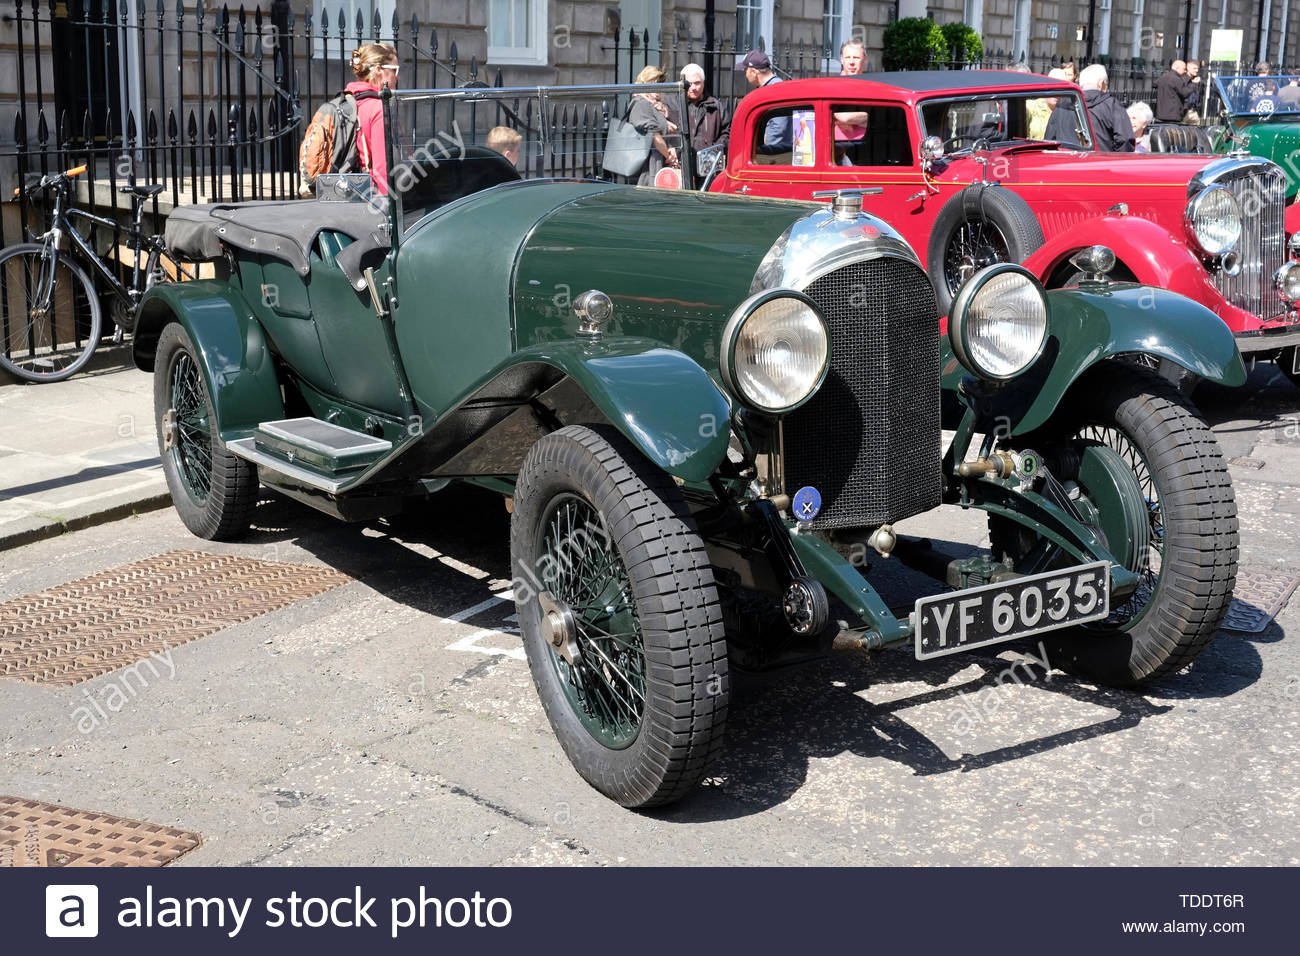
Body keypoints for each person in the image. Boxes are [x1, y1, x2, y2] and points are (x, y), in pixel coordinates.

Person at [345, 43, 400, 194]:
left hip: (354, 192)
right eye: (394, 70)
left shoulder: (351, 100)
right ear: (378, 70)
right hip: (376, 198)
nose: (397, 76)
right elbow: (383, 168)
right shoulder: (378, 109)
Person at [624, 64, 680, 186]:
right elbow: (654, 135)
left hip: (657, 168)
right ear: (647, 83)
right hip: (648, 171)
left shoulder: (652, 106)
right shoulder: (640, 104)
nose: (659, 90)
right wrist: (669, 156)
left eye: (661, 84)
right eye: (656, 84)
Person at [664, 63, 730, 153]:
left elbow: (727, 133)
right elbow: (657, 130)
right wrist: (668, 150)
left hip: (708, 162)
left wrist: (714, 151)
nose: (693, 88)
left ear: (703, 83)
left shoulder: (716, 106)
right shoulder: (669, 104)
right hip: (679, 162)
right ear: (681, 83)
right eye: (689, 84)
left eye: (697, 83)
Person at [737, 49, 790, 151]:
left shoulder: (774, 90)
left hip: (777, 155)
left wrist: (766, 153)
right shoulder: (771, 87)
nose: (745, 74)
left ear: (754, 71)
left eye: (745, 70)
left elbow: (778, 127)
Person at [1079, 63, 1134, 151]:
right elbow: (1125, 139)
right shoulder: (1112, 105)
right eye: (1106, 83)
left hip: (1069, 162)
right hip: (1101, 161)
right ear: (1101, 84)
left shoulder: (1065, 104)